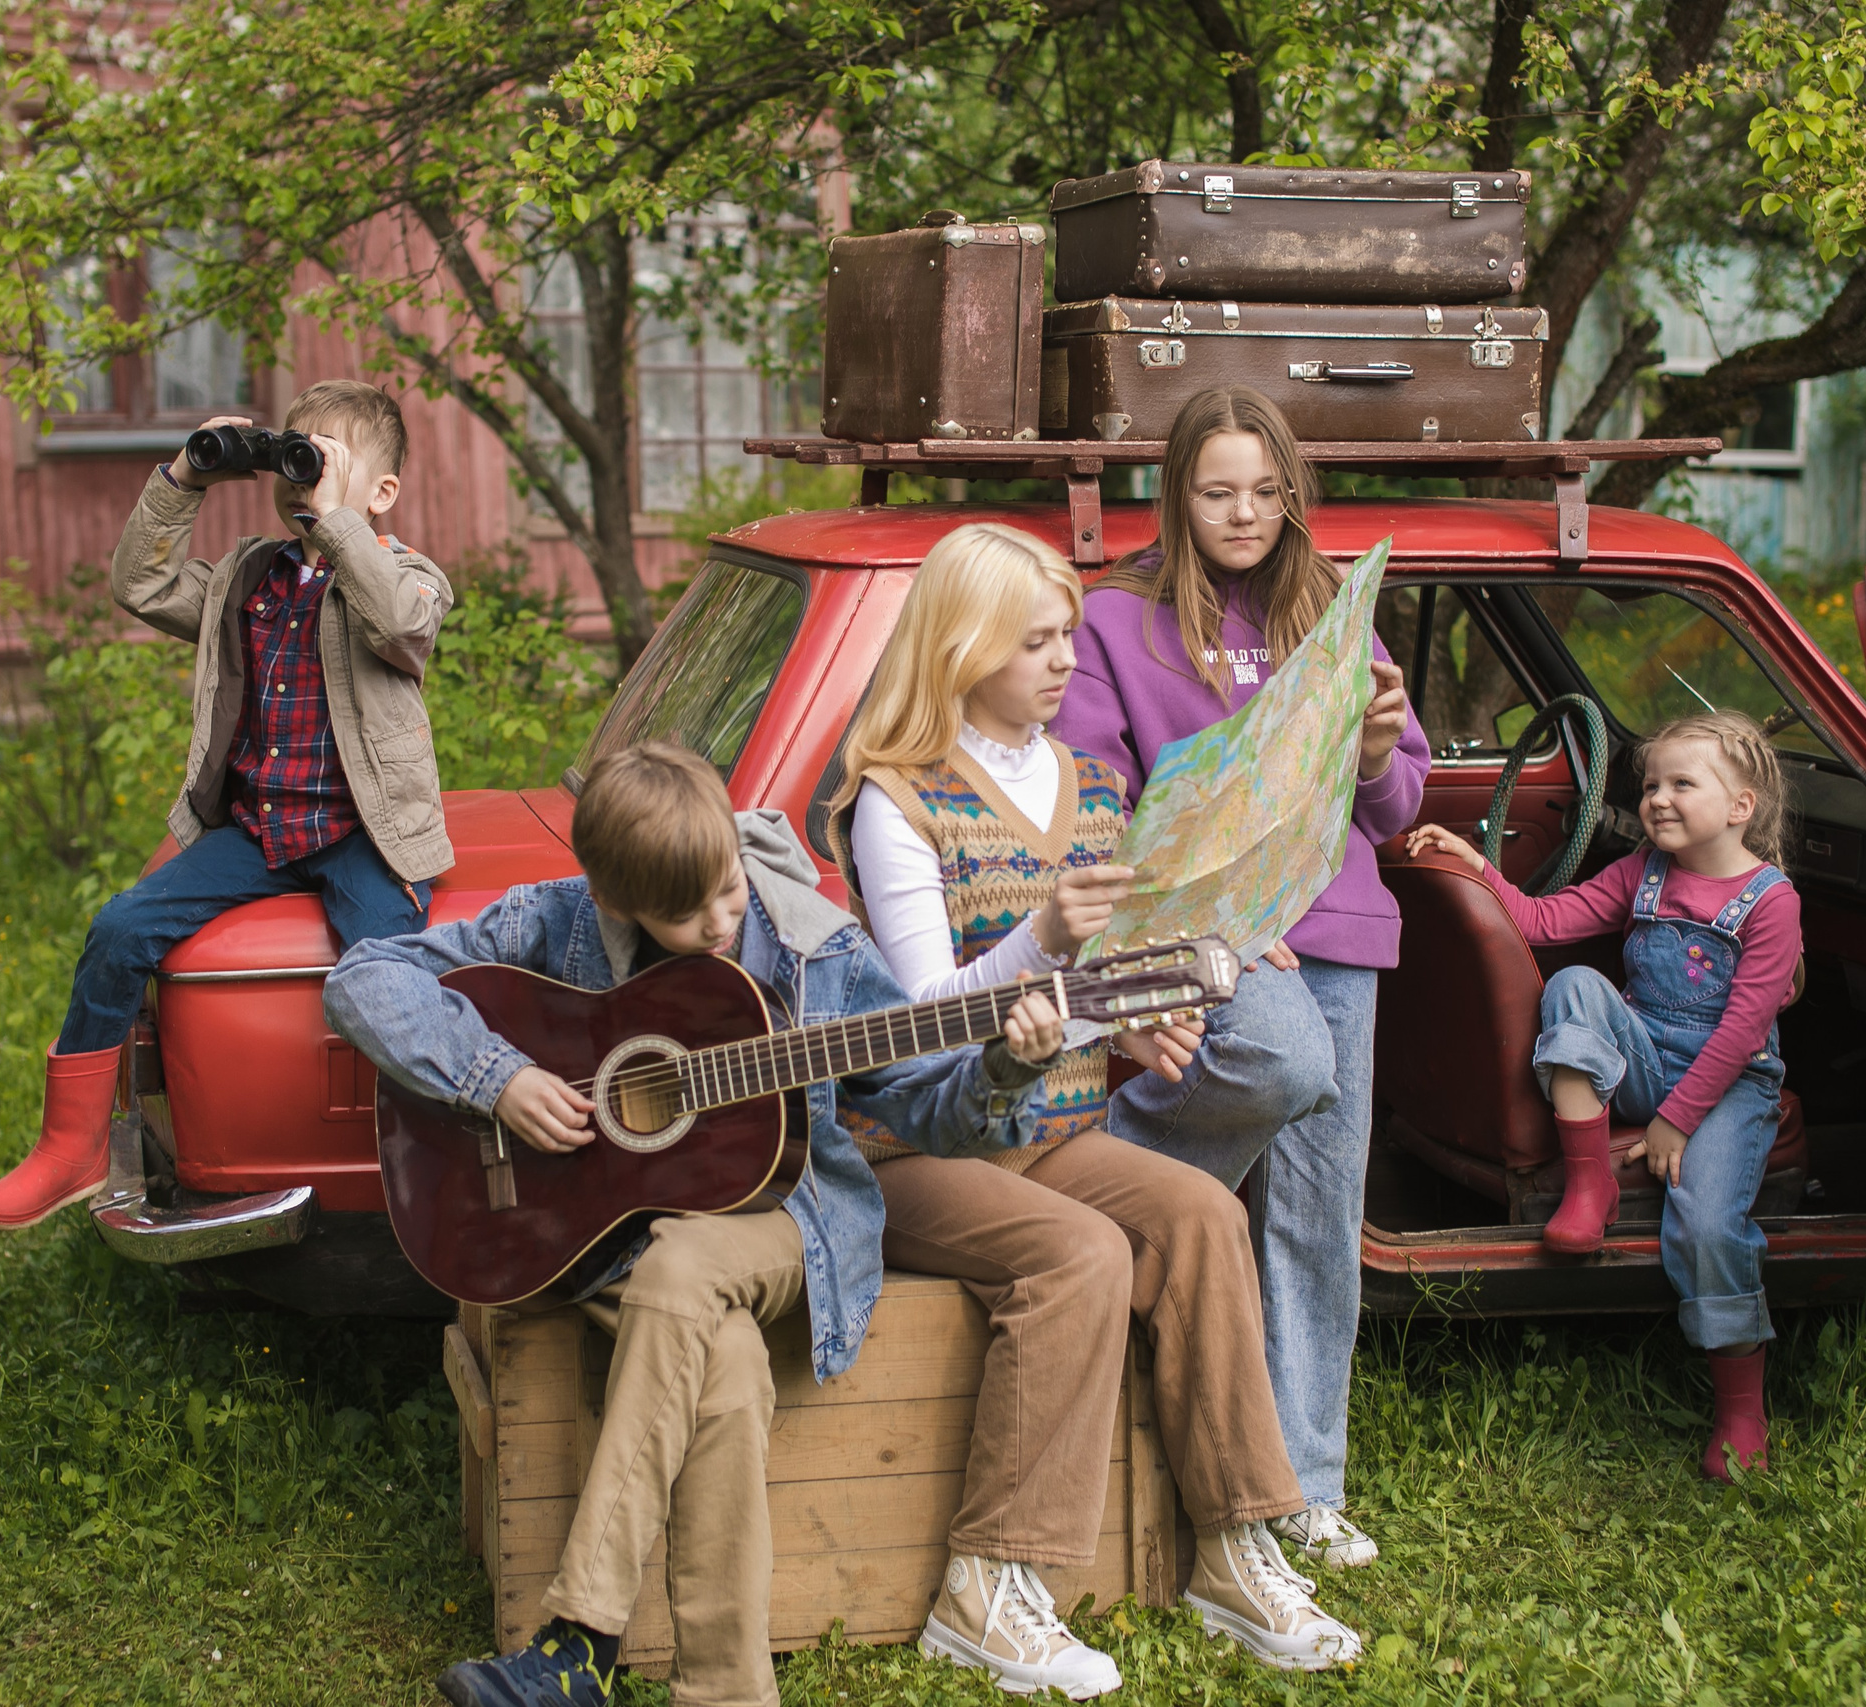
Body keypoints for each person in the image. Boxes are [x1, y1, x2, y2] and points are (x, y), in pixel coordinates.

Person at [324, 742, 1070, 1707]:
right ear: (615, 898)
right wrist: (496, 1079)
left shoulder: (817, 948)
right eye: (689, 914)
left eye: (727, 888)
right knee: (722, 1370)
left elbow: (928, 1107)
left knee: (686, 1266)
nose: (722, 921)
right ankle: (726, 1693)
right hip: (605, 1231)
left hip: (786, 1219)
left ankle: (576, 1643)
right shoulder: (554, 919)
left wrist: (1006, 1067)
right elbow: (363, 979)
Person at [828, 522, 1363, 1696]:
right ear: (964, 649)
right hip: (920, 1148)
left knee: (1196, 1216)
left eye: (1069, 633)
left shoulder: (1102, 786)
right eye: (1034, 641)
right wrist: (1042, 939)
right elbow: (922, 1017)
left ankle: (1230, 1544)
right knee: (1077, 1255)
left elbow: (1100, 974)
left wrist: (1148, 1002)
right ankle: (987, 1587)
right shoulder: (896, 800)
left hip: (1055, 1131)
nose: (1065, 658)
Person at [1053, 385, 1428, 1565]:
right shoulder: (1117, 622)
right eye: (1217, 492)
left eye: (1266, 492)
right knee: (1282, 1061)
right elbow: (1091, 799)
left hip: (1342, 927)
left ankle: (1301, 1483)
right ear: (1175, 494)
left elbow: (1398, 805)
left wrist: (1375, 752)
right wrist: (1203, 912)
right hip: (1210, 939)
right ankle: (1097, 1177)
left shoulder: (1331, 611)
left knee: (1321, 1211)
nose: (1244, 514)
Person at [0, 381, 455, 1230]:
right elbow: (141, 583)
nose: (301, 481)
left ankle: (446, 1146)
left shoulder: (410, 577)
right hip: (259, 827)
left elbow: (396, 622)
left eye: (324, 464)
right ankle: (72, 1148)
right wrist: (184, 478)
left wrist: (341, 521)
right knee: (121, 928)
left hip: (357, 834)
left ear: (380, 492)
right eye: (291, 459)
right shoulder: (247, 578)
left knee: (392, 969)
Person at [1403, 709, 1802, 1480]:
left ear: (1741, 805)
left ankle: (1740, 1406)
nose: (1657, 798)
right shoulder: (1642, 870)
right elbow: (1545, 921)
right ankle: (1590, 1183)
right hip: (1650, 1052)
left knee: (1709, 1223)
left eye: (1683, 783)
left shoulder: (1770, 900)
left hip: (1730, 1082)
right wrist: (1476, 867)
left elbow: (1744, 1026)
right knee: (1578, 983)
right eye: (1652, 783)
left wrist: (1677, 1123)